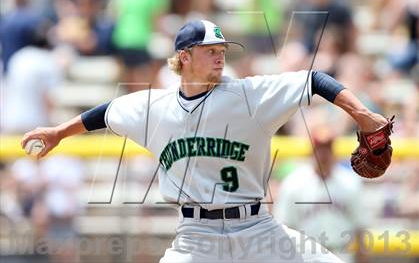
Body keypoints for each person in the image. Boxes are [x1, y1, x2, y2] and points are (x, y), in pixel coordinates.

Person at [22, 20, 389, 262]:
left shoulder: (248, 95)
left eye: (222, 51)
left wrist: (362, 115)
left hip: (256, 229)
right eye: (210, 51)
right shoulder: (154, 107)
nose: (220, 57)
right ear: (184, 58)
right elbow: (104, 113)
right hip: (195, 237)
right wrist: (57, 133)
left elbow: (314, 80)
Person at [273, 126, 367, 263]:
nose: (323, 154)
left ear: (333, 151)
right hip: (306, 256)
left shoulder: (351, 183)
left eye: (327, 149)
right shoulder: (293, 183)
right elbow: (284, 228)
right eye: (319, 149)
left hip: (341, 254)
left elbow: (361, 227)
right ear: (312, 151)